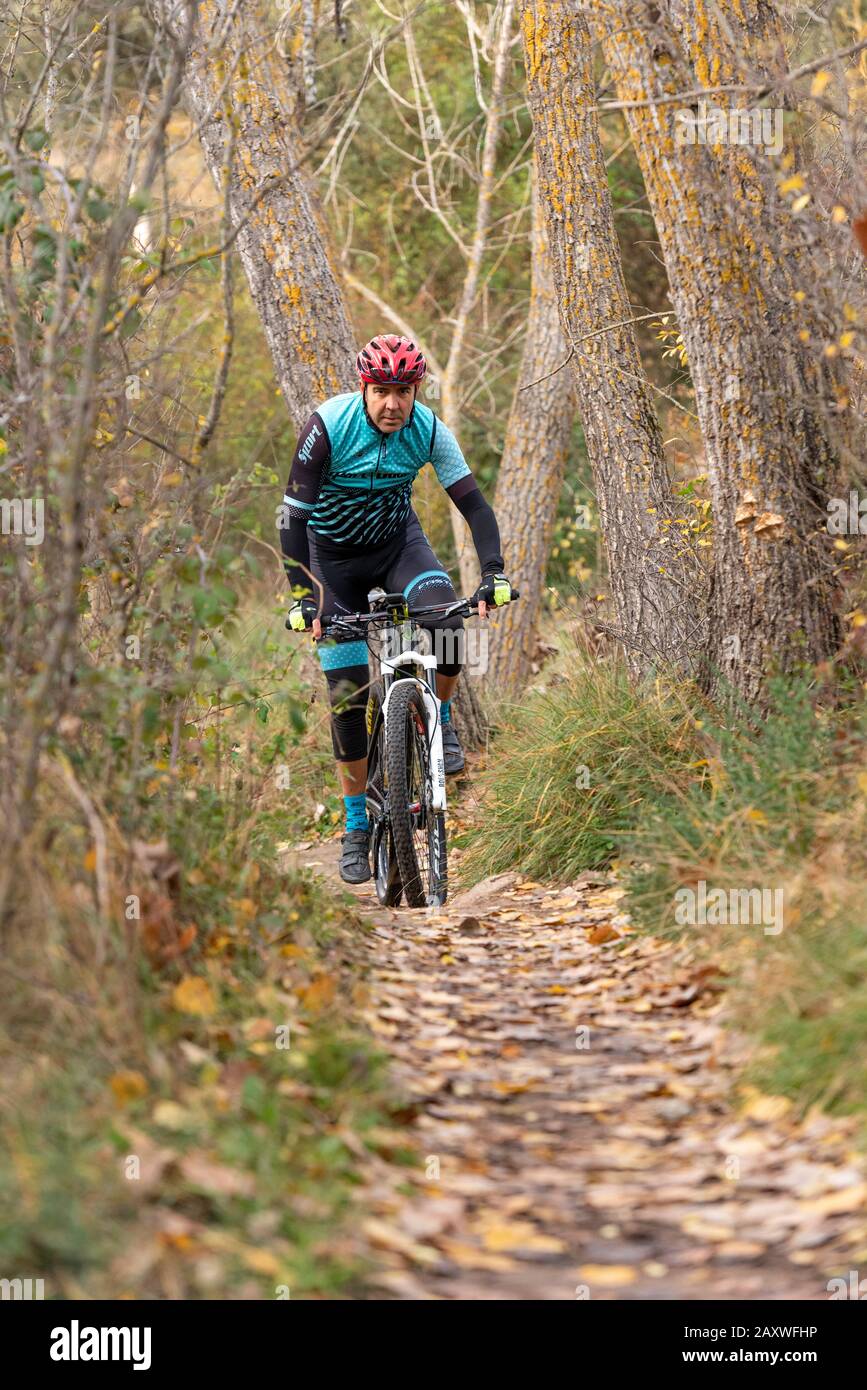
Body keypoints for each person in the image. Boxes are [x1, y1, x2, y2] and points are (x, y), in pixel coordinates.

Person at [280, 332, 514, 884]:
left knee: (450, 626)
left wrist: (493, 574)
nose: (393, 404)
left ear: (416, 390)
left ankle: (443, 720)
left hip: (397, 550)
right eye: (382, 390)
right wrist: (302, 598)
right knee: (346, 698)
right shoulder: (328, 427)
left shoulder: (429, 429)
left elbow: (474, 507)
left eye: (404, 391)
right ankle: (357, 826)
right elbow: (290, 518)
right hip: (330, 562)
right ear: (364, 388)